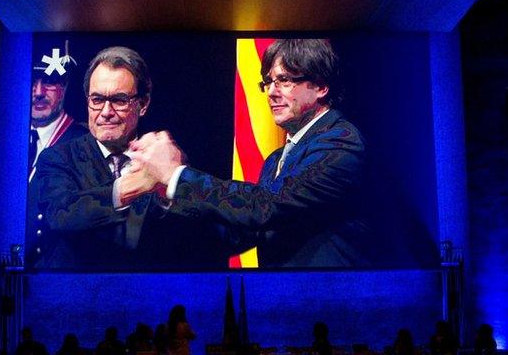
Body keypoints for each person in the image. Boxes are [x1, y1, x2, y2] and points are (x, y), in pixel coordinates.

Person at [127, 39, 371, 267]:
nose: (271, 93)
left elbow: (265, 207)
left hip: (331, 302)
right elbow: (237, 234)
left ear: (320, 86)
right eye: (268, 82)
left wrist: (178, 175)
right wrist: (166, 189)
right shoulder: (275, 160)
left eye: (284, 80)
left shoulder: (341, 142)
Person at [33, 46, 203, 269]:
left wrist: (167, 195)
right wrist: (130, 188)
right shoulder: (57, 159)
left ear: (143, 104)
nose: (105, 112)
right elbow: (62, 214)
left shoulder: (162, 158)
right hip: (77, 296)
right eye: (97, 99)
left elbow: (188, 235)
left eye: (119, 100)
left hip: (146, 294)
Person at [26, 44, 88, 267]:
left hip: (59, 276)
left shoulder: (84, 143)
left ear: (64, 86)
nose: (39, 91)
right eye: (33, 81)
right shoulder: (12, 141)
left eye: (50, 82)